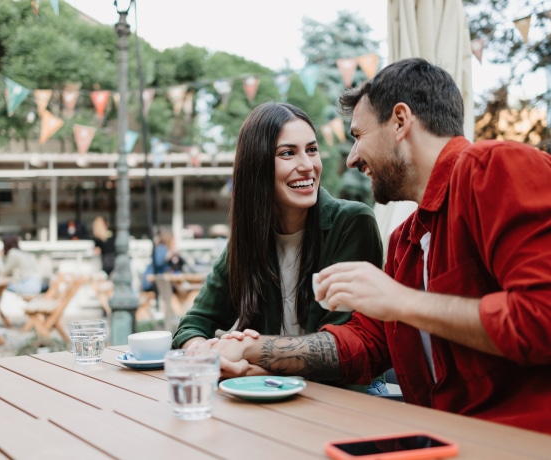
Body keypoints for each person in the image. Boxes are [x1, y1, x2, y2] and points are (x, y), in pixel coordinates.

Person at [204, 59, 551, 434]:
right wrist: (251, 350)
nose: (351, 158)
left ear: (400, 122)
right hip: (438, 439)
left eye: (358, 135)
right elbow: (367, 344)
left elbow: (540, 314)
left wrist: (402, 301)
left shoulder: (496, 167)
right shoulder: (406, 241)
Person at [173, 102, 387, 394]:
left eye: (311, 150)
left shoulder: (351, 222)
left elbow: (341, 353)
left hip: (342, 400)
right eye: (288, 153)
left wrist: (247, 364)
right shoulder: (248, 239)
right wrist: (203, 353)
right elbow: (194, 324)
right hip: (266, 397)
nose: (307, 165)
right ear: (257, 166)